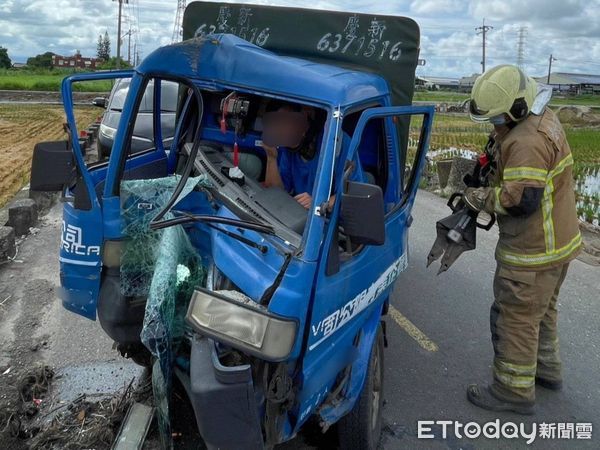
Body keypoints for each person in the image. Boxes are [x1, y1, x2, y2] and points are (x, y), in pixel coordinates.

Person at [463, 65, 582, 414]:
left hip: (533, 251)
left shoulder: (526, 140)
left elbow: (521, 200)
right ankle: (546, 369)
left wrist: (480, 197)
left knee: (515, 317)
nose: (495, 125)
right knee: (540, 313)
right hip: (559, 245)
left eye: (498, 119)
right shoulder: (541, 117)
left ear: (516, 108)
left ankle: (511, 390)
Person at [262, 101, 364, 209]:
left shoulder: (337, 143)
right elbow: (276, 193)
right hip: (297, 215)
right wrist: (271, 157)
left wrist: (318, 203)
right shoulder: (286, 148)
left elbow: (352, 195)